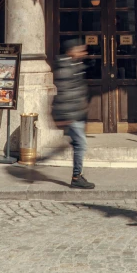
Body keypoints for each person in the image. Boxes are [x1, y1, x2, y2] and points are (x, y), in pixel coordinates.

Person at [51, 39, 95, 190]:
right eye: (80, 49)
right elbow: (64, 94)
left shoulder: (75, 65)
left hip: (77, 113)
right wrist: (65, 117)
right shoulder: (65, 68)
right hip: (71, 114)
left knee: (77, 144)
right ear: (71, 51)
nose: (84, 52)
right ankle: (77, 177)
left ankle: (77, 175)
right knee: (80, 144)